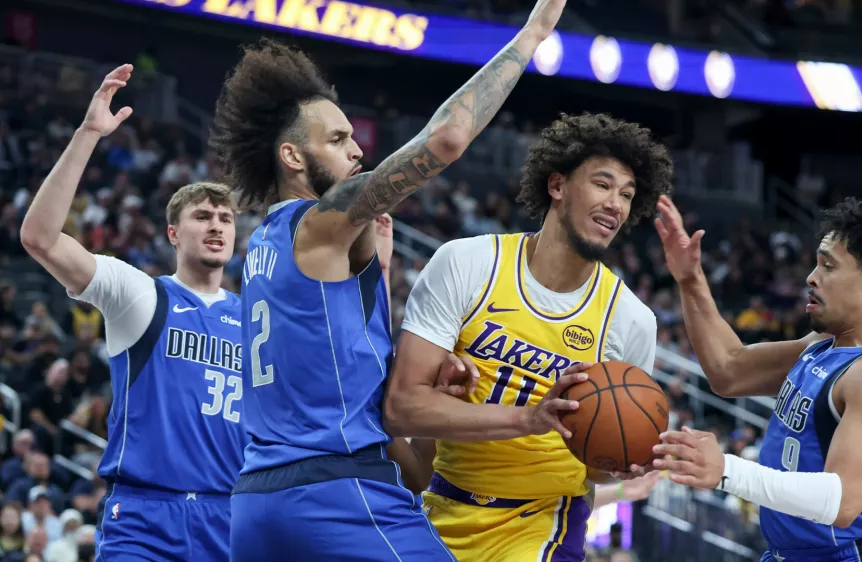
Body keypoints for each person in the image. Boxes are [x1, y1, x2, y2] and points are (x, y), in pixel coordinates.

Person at [209, 0, 570, 556]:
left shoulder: (264, 247)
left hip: (258, 507)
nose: (356, 149)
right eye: (335, 140)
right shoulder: (318, 223)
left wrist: (429, 403)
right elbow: (446, 139)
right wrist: (532, 34)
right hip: (336, 498)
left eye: (352, 136)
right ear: (292, 157)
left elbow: (412, 466)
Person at [383, 113, 673, 561]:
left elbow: (597, 471)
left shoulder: (631, 320)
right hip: (441, 503)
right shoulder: (468, 264)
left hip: (544, 521)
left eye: (628, 195)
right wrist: (527, 418)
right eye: (603, 184)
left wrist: (624, 456)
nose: (616, 204)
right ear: (557, 186)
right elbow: (402, 409)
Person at [20, 65, 247, 561]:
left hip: (232, 517)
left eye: (226, 218)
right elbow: (39, 238)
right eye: (202, 216)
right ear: (172, 233)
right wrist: (88, 135)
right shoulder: (141, 294)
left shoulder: (258, 321)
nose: (217, 225)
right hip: (145, 515)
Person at [651, 196, 862, 562]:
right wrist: (690, 279)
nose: (811, 277)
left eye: (828, 267)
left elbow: (842, 501)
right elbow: (729, 371)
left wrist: (727, 470)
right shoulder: (824, 345)